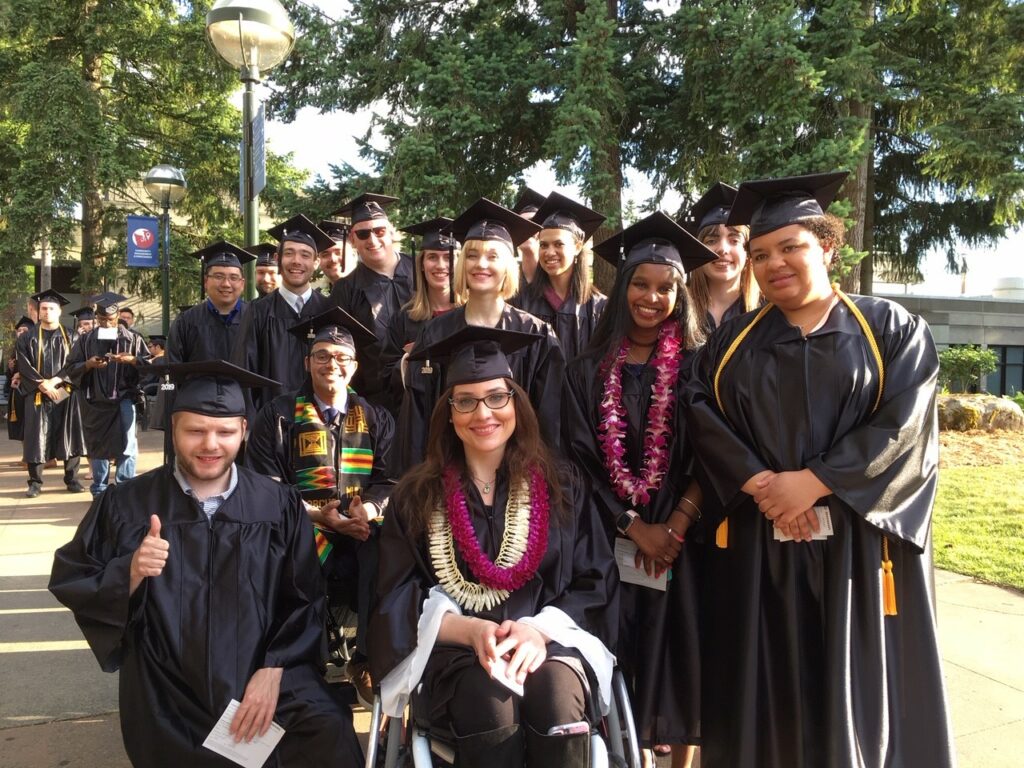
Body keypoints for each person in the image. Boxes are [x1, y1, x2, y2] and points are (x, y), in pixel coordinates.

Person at [684, 172, 956, 768]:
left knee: (853, 688)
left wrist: (813, 482)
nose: (772, 263)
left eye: (790, 247)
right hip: (763, 546)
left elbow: (906, 423)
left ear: (827, 247)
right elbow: (699, 410)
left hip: (856, 549)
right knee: (767, 689)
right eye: (759, 254)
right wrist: (761, 483)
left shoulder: (888, 329)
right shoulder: (732, 342)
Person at [49, 360, 364, 768]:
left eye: (225, 432)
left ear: (244, 432)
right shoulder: (127, 504)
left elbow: (305, 597)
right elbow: (73, 577)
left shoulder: (277, 504)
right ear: (174, 428)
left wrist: (275, 670)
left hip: (266, 675)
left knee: (328, 729)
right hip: (169, 688)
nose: (210, 445)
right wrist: (128, 572)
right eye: (195, 430)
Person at [369, 326, 617, 768]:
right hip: (457, 653)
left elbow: (594, 580)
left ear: (516, 404)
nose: (483, 413)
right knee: (491, 700)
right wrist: (469, 631)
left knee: (557, 696)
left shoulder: (563, 486)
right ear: (448, 412)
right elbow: (394, 594)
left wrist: (536, 631)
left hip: (552, 642)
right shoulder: (415, 497)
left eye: (496, 397)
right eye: (465, 401)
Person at [563, 211, 715, 768]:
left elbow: (713, 453)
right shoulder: (583, 371)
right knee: (617, 648)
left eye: (665, 288)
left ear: (682, 293)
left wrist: (674, 525)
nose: (651, 298)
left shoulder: (702, 366)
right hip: (608, 538)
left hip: (684, 536)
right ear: (622, 285)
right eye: (640, 284)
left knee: (682, 655)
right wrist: (634, 526)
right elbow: (576, 461)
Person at [246, 306, 396, 705]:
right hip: (302, 525)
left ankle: (365, 659)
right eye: (323, 355)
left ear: (355, 364)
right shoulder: (276, 416)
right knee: (294, 553)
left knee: (387, 552)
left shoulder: (376, 417)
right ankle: (303, 661)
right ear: (307, 361)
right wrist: (316, 515)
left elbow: (390, 478)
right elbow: (265, 487)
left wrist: (369, 510)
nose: (333, 364)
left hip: (362, 528)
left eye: (342, 357)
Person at [395, 198, 565, 476]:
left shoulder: (536, 334)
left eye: (492, 256)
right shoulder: (435, 332)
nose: (480, 264)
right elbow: (418, 417)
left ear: (509, 265)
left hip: (519, 473)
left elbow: (551, 418)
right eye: (472, 255)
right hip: (448, 474)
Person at [233, 215, 334, 414]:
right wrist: (251, 426)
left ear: (315, 262)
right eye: (289, 253)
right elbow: (244, 373)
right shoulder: (257, 312)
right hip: (271, 424)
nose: (296, 261)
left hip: (321, 423)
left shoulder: (329, 310)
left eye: (305, 255)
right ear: (278, 259)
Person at [165, 241, 255, 458]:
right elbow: (171, 374)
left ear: (242, 283)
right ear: (206, 282)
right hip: (198, 417)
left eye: (233, 277)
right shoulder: (187, 321)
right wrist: (172, 416)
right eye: (218, 276)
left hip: (246, 417)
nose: (226, 283)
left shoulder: (257, 318)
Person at [329, 193, 415, 408]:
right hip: (374, 402)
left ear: (391, 231)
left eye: (379, 231)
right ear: (352, 238)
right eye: (363, 233)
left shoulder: (421, 271)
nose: (373, 240)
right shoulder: (346, 289)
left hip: (426, 389)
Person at [63, 292, 151, 497]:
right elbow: (70, 367)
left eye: (110, 320)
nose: (105, 324)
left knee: (127, 444)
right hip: (95, 400)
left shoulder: (133, 338)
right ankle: (100, 490)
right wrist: (88, 364)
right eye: (101, 320)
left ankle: (125, 488)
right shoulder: (86, 340)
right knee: (98, 446)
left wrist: (131, 360)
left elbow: (148, 366)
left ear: (118, 315)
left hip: (125, 398)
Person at [512, 192, 607, 362]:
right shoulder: (522, 301)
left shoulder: (599, 307)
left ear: (577, 247)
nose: (549, 252)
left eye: (558, 244)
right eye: (544, 245)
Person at [379, 216, 461, 404]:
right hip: (419, 415)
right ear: (422, 265)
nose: (440, 265)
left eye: (448, 258)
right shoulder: (403, 319)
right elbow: (385, 376)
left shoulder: (471, 314)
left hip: (465, 414)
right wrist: (409, 361)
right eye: (432, 257)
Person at [16, 289, 86, 497]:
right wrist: (42, 385)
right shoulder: (27, 338)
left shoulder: (72, 336)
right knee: (36, 437)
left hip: (65, 392)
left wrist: (56, 382)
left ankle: (72, 479)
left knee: (69, 434)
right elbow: (24, 364)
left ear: (59, 311)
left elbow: (76, 365)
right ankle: (35, 483)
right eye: (43, 308)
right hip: (37, 393)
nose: (46, 312)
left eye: (51, 308)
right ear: (38, 312)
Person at [683, 182, 761, 335]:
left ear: (748, 251)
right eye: (711, 241)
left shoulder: (768, 312)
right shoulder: (679, 313)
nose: (723, 249)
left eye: (734, 240)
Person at [5, 315, 33, 442]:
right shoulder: (15, 349)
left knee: (31, 422)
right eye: (19, 330)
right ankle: (25, 455)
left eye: (24, 330)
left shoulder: (35, 346)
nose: (21, 333)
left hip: (31, 390)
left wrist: (21, 374)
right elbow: (9, 375)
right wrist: (11, 370)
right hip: (17, 391)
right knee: (20, 421)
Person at [512, 187, 546, 286]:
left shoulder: (558, 285)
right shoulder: (504, 282)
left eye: (533, 222)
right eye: (521, 223)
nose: (526, 227)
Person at [317, 219, 356, 291]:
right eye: (325, 254)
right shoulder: (316, 299)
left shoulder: (375, 292)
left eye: (338, 252)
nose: (333, 259)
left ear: (354, 255)